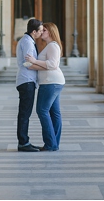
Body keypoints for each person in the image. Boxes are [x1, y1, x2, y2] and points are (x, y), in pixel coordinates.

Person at [25, 22, 66, 151]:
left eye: (44, 30)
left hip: (50, 82)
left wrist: (33, 62)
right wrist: (32, 65)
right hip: (53, 82)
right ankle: (54, 144)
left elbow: (52, 65)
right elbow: (46, 65)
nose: (41, 32)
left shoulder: (53, 46)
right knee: (54, 113)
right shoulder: (50, 46)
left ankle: (50, 144)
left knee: (42, 111)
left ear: (51, 32)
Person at [16, 18, 43, 152]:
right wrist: (44, 67)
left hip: (27, 80)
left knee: (25, 113)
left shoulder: (27, 40)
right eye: (40, 31)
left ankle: (24, 141)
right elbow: (27, 63)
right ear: (34, 32)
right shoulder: (27, 42)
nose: (42, 33)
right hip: (26, 81)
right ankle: (23, 143)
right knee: (24, 113)